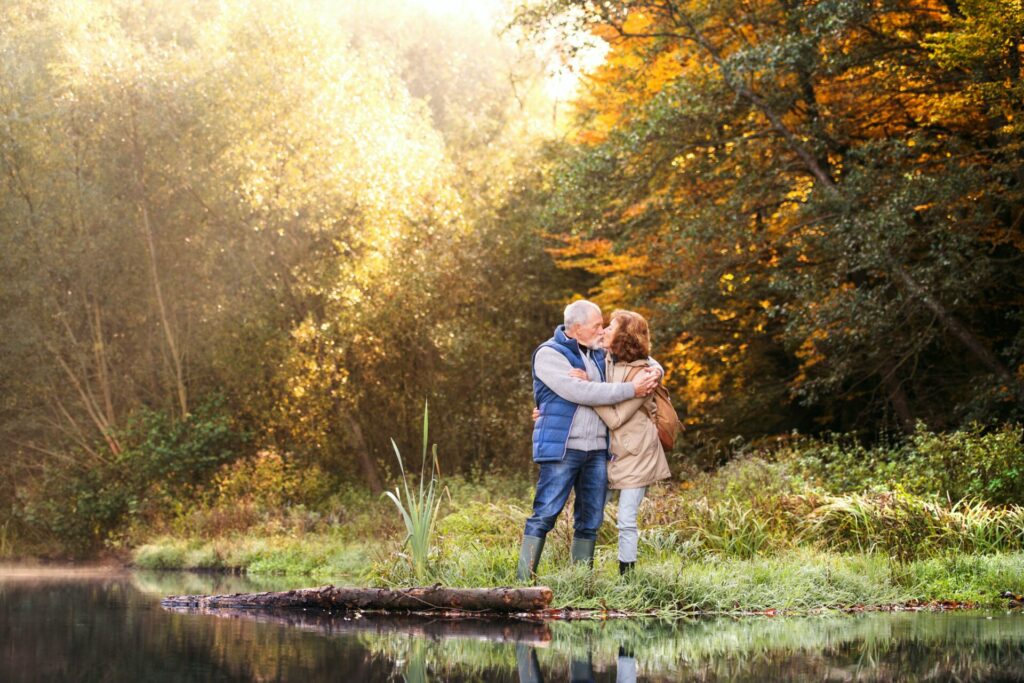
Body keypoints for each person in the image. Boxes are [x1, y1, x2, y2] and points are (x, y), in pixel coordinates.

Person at [517, 300, 660, 582]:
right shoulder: (549, 354)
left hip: (597, 451)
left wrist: (656, 371)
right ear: (577, 328)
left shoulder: (598, 351)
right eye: (596, 325)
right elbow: (580, 392)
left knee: (590, 521)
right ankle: (523, 581)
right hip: (563, 448)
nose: (602, 330)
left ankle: (580, 582)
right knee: (545, 514)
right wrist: (632, 388)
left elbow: (643, 355)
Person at [569, 310, 670, 575]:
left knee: (626, 519)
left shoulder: (643, 374)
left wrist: (588, 391)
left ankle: (628, 580)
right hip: (613, 453)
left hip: (639, 453)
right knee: (591, 514)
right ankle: (581, 573)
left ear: (623, 336)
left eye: (610, 327)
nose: (603, 331)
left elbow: (615, 419)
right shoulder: (607, 359)